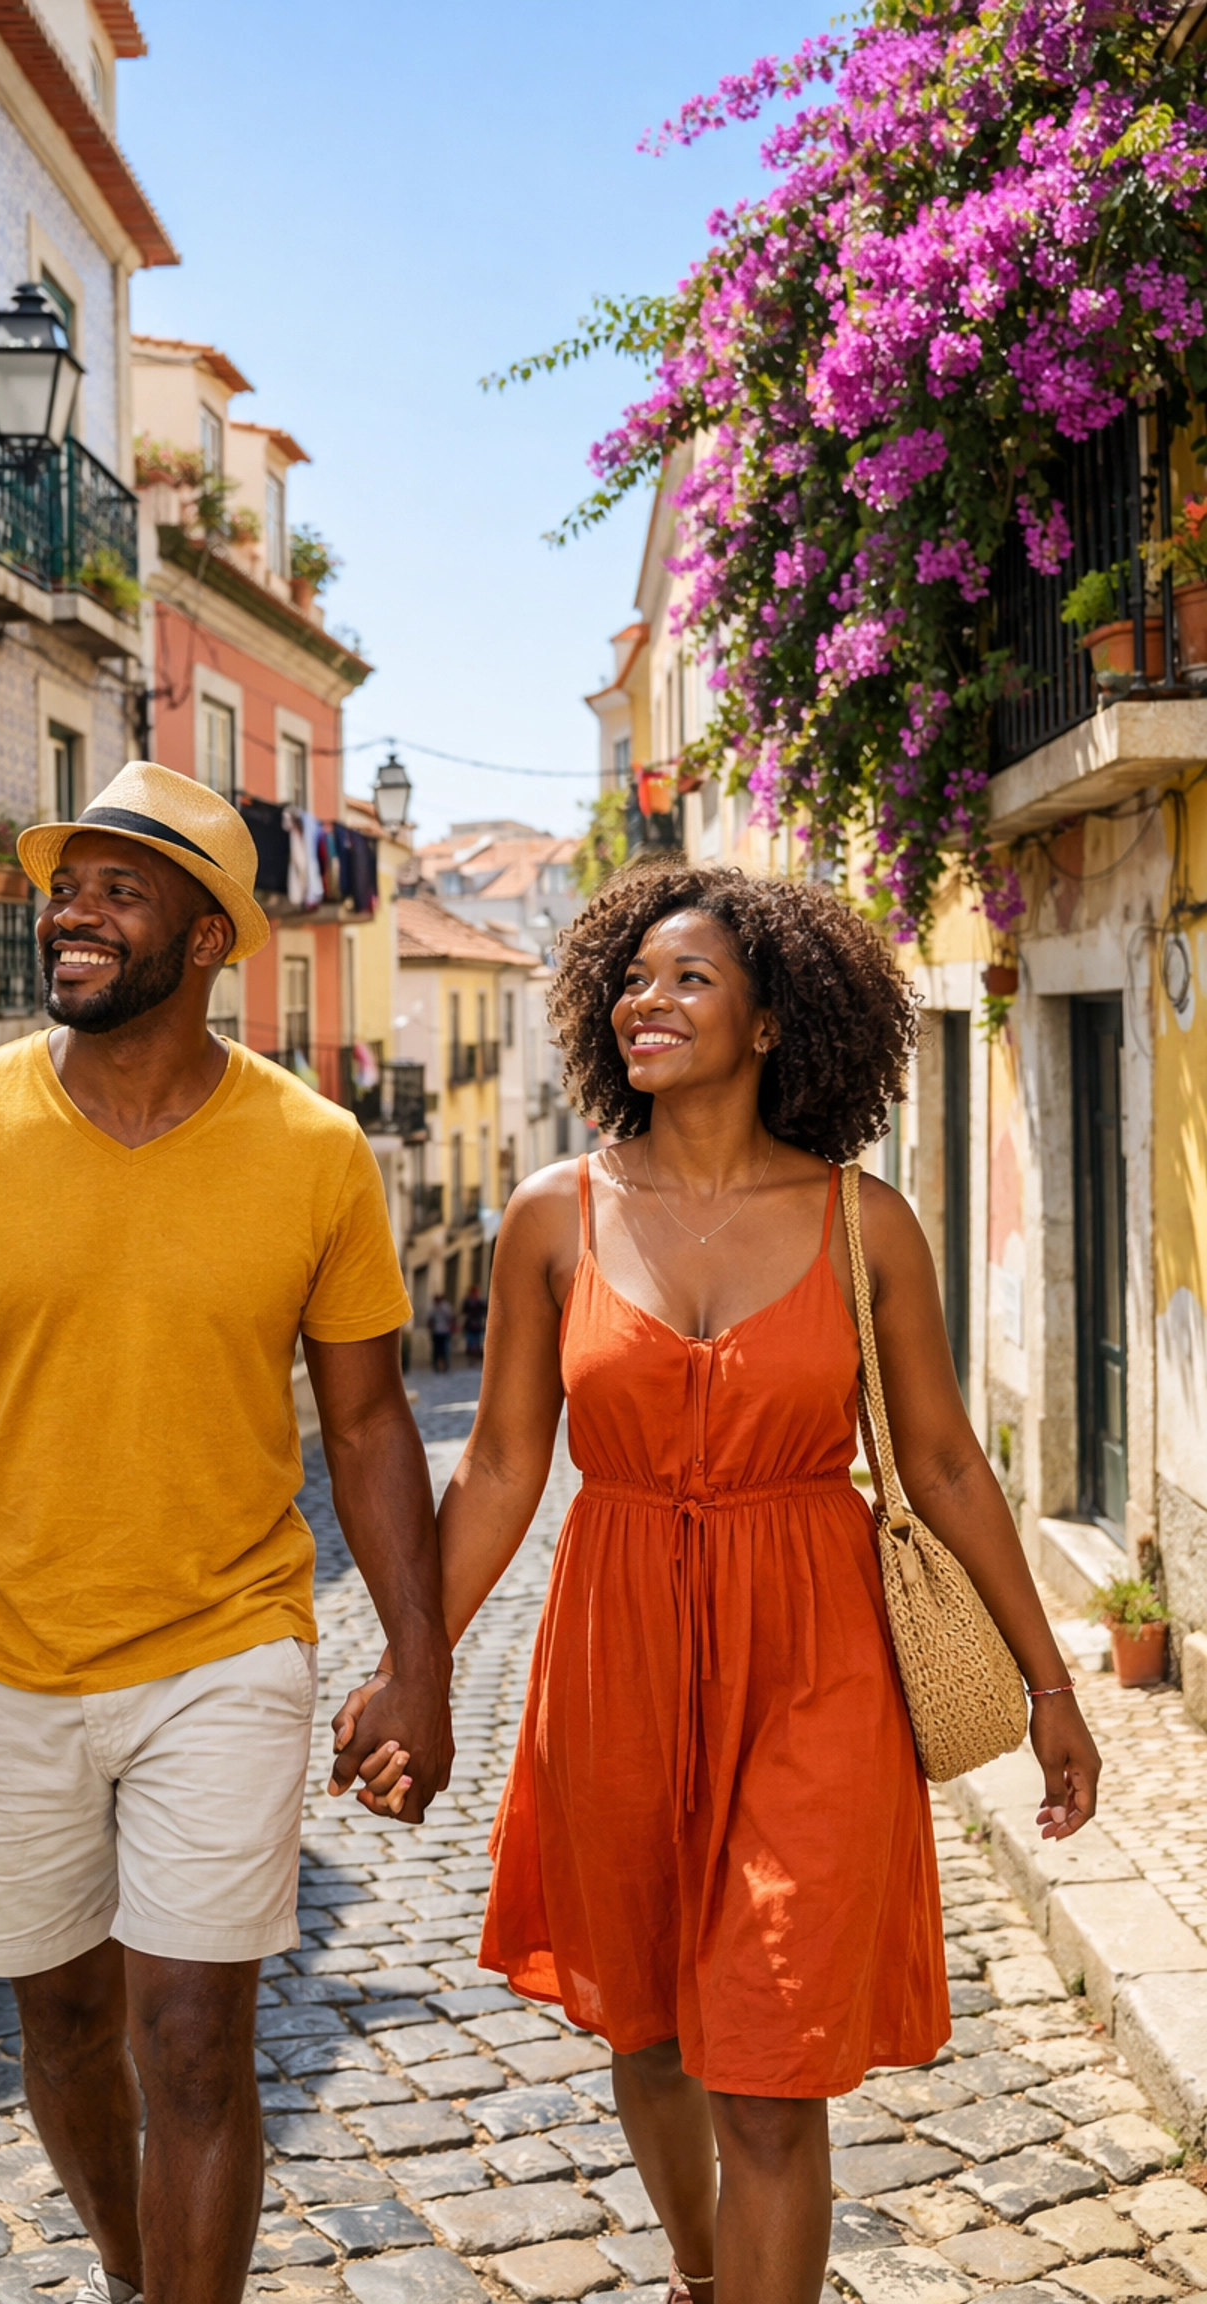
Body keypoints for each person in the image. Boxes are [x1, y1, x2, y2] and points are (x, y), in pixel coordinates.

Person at [334, 861, 1100, 2304]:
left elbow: (939, 1463)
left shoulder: (863, 1225)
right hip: (613, 1643)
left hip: (817, 1656)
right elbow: (500, 1466)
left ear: (770, 1024)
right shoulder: (551, 1218)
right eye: (633, 978)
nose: (649, 999)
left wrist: (1049, 1680)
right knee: (651, 2032)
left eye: (690, 978)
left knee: (769, 2066)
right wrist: (410, 1661)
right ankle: (701, 2273)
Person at [0, 762, 454, 2304]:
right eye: (65, 889)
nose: (73, 914)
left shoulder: (312, 1152)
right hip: (2, 1656)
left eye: (119, 889)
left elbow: (368, 1427)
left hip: (227, 1649)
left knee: (196, 2039)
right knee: (68, 2031)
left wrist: (416, 1660)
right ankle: (132, 2272)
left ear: (211, 937)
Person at [427, 1290, 455, 1373]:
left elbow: (451, 1317)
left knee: (443, 1350)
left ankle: (444, 1366)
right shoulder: (435, 1307)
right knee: (438, 1350)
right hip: (438, 1331)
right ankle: (438, 1366)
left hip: (443, 1331)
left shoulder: (444, 1307)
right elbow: (430, 1319)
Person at [461, 1282, 487, 1365]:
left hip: (478, 1325)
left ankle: (475, 1357)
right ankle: (471, 1358)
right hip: (471, 1325)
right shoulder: (468, 1301)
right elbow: (464, 1312)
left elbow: (484, 1311)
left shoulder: (480, 1301)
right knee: (471, 1342)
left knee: (477, 1342)